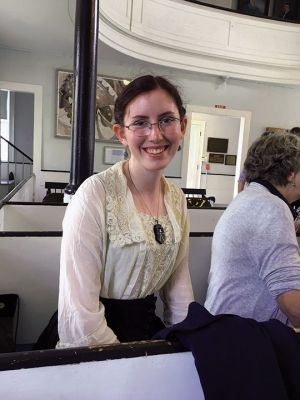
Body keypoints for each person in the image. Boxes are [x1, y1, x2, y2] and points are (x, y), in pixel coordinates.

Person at [57, 75, 194, 348]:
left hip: (148, 334)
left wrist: (187, 340)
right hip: (95, 340)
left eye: (167, 120)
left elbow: (179, 288)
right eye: (140, 123)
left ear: (183, 127)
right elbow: (79, 309)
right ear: (121, 134)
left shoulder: (177, 199)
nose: (155, 135)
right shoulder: (94, 194)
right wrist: (121, 361)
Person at [205, 132, 300, 328]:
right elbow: (295, 307)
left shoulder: (249, 198)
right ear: (292, 174)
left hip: (225, 329)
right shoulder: (272, 208)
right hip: (245, 338)